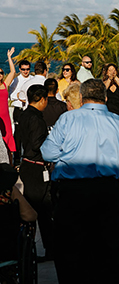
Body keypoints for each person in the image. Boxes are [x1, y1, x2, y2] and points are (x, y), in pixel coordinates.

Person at [40, 79, 119, 284]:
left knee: (70, 245)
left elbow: (47, 153)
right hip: (107, 190)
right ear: (106, 98)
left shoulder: (69, 119)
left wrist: (69, 153)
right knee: (108, 245)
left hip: (74, 190)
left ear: (81, 98)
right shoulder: (117, 121)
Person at [18, 84, 54, 262]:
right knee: (43, 210)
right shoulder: (37, 119)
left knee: (34, 208)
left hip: (26, 164)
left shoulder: (24, 115)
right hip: (36, 167)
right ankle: (45, 249)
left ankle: (30, 247)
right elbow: (37, 144)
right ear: (41, 99)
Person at [9, 59, 33, 166]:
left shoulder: (32, 79)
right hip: (19, 109)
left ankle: (28, 159)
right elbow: (11, 95)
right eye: (23, 69)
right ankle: (17, 161)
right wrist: (19, 97)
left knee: (29, 135)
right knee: (18, 135)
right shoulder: (16, 80)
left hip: (29, 110)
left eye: (27, 69)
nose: (25, 71)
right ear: (19, 69)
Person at [0, 47, 16, 159]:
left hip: (5, 118)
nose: (0, 74)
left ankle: (10, 165)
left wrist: (9, 57)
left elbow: (13, 72)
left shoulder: (5, 85)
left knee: (8, 140)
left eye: (1, 73)